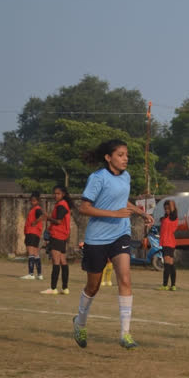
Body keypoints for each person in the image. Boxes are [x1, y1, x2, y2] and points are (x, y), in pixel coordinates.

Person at [71, 139, 154, 350]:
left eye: (126, 155)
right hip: (97, 238)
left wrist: (140, 212)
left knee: (125, 278)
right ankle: (79, 322)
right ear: (108, 158)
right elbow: (85, 208)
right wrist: (114, 213)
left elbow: (122, 201)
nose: (125, 158)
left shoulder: (126, 177)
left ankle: (125, 333)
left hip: (120, 234)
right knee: (93, 286)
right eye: (120, 155)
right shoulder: (97, 178)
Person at [41, 186, 73, 294]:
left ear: (63, 194)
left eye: (58, 194)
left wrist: (47, 217)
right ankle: (65, 288)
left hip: (57, 235)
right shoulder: (64, 204)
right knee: (63, 261)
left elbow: (58, 221)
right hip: (62, 235)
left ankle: (53, 288)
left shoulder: (61, 205)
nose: (56, 196)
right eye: (54, 193)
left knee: (56, 261)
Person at [21, 192, 46, 280]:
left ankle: (31, 274)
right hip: (35, 233)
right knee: (36, 253)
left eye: (34, 201)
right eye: (31, 201)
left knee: (31, 252)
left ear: (38, 201)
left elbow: (42, 216)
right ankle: (39, 274)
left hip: (32, 232)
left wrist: (34, 222)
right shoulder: (35, 209)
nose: (32, 202)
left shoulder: (37, 209)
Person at [158, 199, 178, 291]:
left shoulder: (173, 217)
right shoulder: (165, 218)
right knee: (170, 264)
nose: (166, 210)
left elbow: (172, 207)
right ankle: (173, 285)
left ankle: (165, 285)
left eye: (168, 209)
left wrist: (169, 202)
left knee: (167, 264)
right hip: (167, 243)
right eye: (165, 208)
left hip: (168, 242)